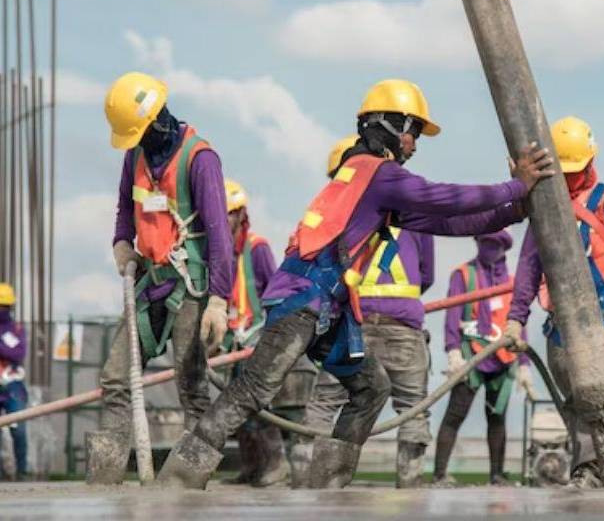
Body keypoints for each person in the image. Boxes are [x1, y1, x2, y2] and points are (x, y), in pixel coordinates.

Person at [158, 78, 554, 490]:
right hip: (304, 300)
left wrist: (515, 209)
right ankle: (181, 475)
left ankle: (330, 480)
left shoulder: (363, 179)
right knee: (255, 387)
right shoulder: (375, 174)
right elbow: (444, 197)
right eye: (413, 131)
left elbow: (448, 222)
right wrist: (515, 186)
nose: (415, 144)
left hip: (323, 308)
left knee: (370, 387)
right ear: (387, 126)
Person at [87, 72, 233, 485]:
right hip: (151, 285)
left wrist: (220, 301)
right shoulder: (134, 157)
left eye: (137, 133)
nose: (133, 143)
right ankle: (106, 479)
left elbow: (220, 234)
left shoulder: (200, 159)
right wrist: (121, 240)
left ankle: (189, 483)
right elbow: (123, 206)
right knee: (116, 379)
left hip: (190, 288)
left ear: (156, 122)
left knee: (192, 388)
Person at [508, 116, 604, 488]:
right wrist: (515, 318)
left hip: (597, 318)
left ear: (591, 161)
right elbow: (529, 264)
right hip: (557, 319)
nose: (570, 178)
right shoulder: (543, 202)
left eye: (576, 169)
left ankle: (589, 469)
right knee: (574, 400)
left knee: (590, 396)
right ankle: (595, 469)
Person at [294, 135, 436, 489]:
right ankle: (410, 486)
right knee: (412, 408)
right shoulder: (415, 213)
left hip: (351, 326)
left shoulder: (335, 216)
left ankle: (305, 485)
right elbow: (427, 275)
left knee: (326, 402)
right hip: (402, 326)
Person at [221, 179, 317, 487]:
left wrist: (262, 329)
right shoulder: (217, 252)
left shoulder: (257, 248)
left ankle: (275, 467)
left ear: (240, 215)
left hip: (257, 337)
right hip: (232, 340)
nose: (223, 220)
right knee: (239, 408)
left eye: (228, 214)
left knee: (262, 404)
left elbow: (275, 291)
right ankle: (253, 467)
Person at [433, 230, 531, 486]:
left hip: (503, 358)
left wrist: (524, 364)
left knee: (497, 418)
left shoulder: (511, 282)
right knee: (455, 414)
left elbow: (520, 321)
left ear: (504, 248)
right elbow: (453, 313)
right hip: (471, 354)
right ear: (477, 242)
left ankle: (497, 475)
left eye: (495, 244)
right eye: (485, 242)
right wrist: (453, 351)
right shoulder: (463, 275)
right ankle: (440, 474)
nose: (490, 248)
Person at [0, 283, 27, 481]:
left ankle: (22, 472)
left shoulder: (15, 329)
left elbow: (18, 353)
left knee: (18, 430)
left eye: (5, 307)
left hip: (12, 385)